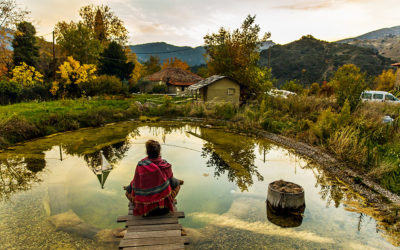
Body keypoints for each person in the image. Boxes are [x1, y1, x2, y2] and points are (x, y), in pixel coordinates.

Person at [125, 140, 183, 216]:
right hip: (163, 208)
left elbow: (135, 183)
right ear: (159, 152)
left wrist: (128, 188)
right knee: (177, 185)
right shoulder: (164, 164)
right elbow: (173, 182)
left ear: (147, 152)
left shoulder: (141, 165)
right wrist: (178, 182)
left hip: (146, 209)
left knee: (127, 193)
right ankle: (167, 201)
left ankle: (143, 205)